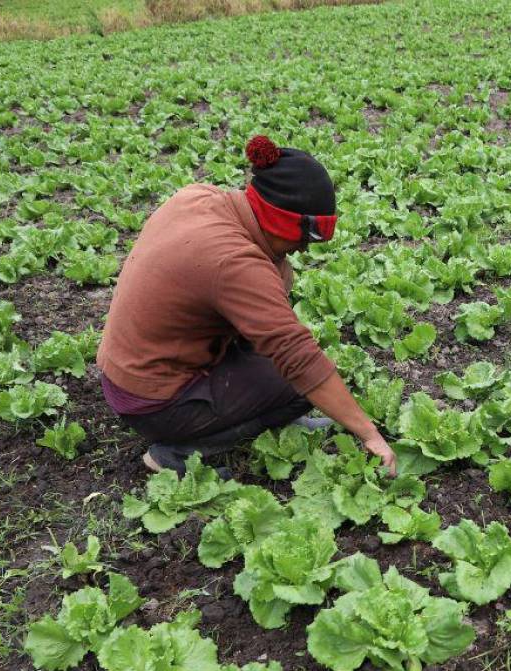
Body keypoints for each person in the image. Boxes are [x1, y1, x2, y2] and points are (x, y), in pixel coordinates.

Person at [96, 135, 396, 476]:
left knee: (293, 370)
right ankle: (179, 453)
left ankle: (244, 411)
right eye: (302, 239)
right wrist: (369, 434)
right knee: (300, 386)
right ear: (279, 221)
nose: (302, 250)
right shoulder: (235, 263)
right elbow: (296, 356)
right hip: (153, 401)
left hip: (126, 373)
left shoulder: (200, 197)